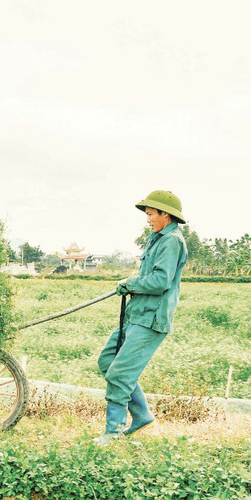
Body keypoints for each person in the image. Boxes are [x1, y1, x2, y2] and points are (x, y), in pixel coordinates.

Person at [95, 190, 187, 446]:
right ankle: (142, 415)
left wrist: (131, 282)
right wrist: (131, 285)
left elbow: (161, 281)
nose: (147, 219)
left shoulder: (172, 241)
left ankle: (113, 432)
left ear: (165, 214)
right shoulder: (157, 239)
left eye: (150, 214)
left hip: (151, 319)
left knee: (120, 374)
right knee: (107, 361)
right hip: (136, 314)